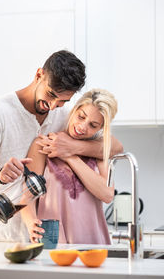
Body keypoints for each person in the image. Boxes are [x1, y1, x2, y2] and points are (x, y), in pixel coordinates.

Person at [0, 50, 123, 242]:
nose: (52, 106)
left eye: (63, 101)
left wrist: (72, 148)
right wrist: (0, 174)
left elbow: (115, 147)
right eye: (50, 95)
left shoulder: (66, 117)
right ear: (39, 75)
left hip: (40, 235)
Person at [21, 88, 117, 244]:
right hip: (53, 240)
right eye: (81, 117)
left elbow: (107, 194)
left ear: (100, 128)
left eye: (93, 125)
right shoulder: (44, 144)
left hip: (93, 243)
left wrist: (70, 155)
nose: (82, 127)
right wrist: (31, 222)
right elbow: (27, 195)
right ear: (74, 110)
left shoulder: (98, 150)